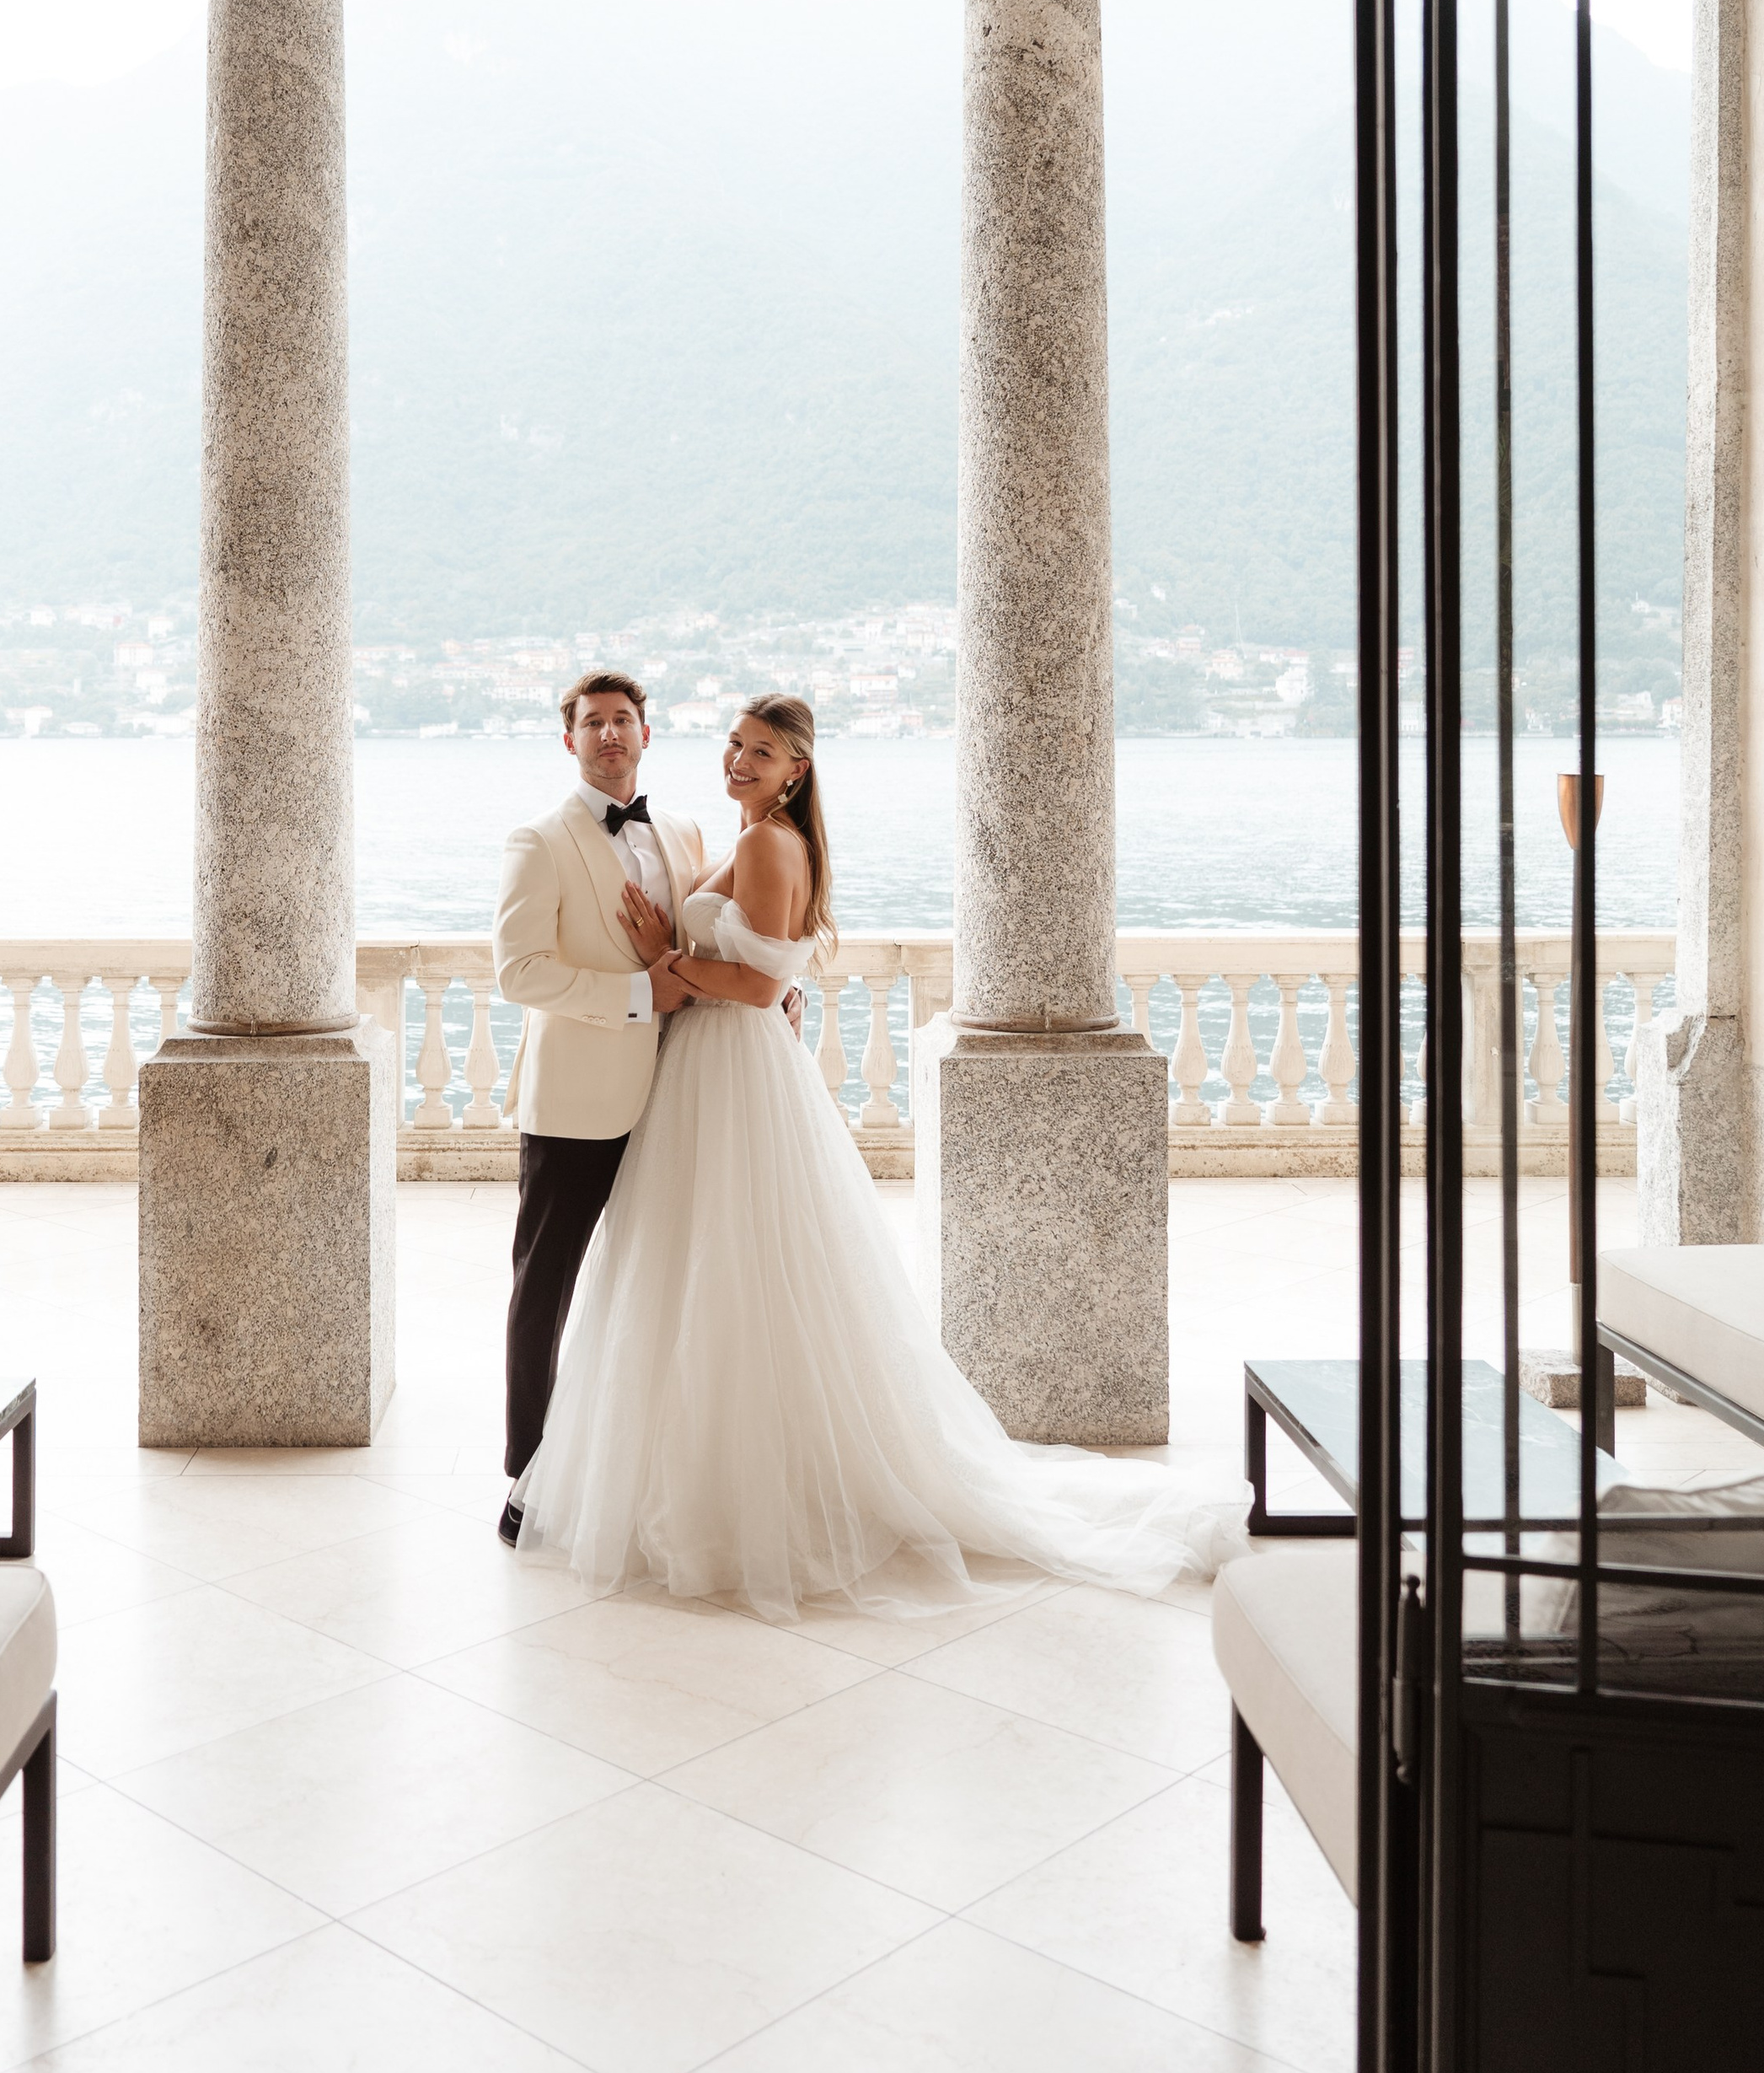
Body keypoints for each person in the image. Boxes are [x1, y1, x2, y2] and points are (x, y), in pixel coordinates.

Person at [512, 692, 1248, 1623]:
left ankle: (741, 1489)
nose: (739, 760)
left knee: (734, 1266)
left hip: (731, 1065)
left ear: (796, 770)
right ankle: (649, 1469)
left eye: (762, 751)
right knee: (698, 1266)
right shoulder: (721, 835)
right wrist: (703, 964)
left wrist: (672, 961)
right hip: (698, 1066)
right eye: (735, 744)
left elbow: (761, 982)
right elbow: (761, 965)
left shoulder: (769, 842)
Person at [489, 669, 707, 1544]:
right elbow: (518, 972)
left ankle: (645, 1470)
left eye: (623, 720)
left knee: (666, 1283)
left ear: (646, 734)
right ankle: (527, 1479)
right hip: (577, 1102)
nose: (610, 734)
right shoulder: (539, 842)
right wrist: (636, 996)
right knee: (545, 1287)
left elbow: (709, 943)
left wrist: (773, 993)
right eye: (593, 723)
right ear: (569, 740)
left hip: (681, 1090)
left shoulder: (684, 832)